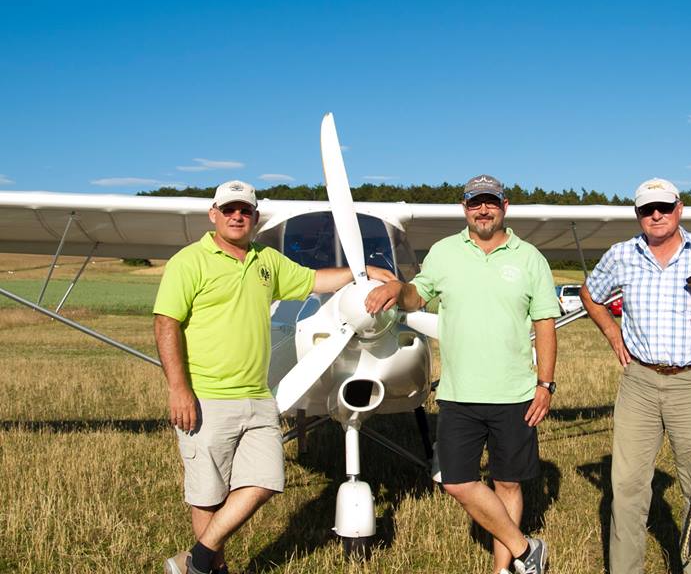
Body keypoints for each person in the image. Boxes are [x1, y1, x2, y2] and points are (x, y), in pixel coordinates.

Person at [155, 180, 395, 574]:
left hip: (258, 393)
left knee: (267, 480)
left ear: (254, 218)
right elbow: (165, 323)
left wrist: (362, 272)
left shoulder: (265, 260)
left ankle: (195, 560)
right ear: (213, 214)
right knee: (208, 494)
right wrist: (179, 388)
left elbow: (314, 280)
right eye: (229, 210)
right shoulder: (189, 261)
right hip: (206, 397)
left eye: (245, 211)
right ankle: (213, 568)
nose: (237, 216)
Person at [365, 174, 560, 574]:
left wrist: (545, 384)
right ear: (464, 208)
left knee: (508, 483)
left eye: (490, 202)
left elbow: (544, 324)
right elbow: (417, 295)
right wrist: (396, 289)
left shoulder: (530, 258)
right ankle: (526, 550)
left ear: (504, 206)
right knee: (455, 481)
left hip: (515, 393)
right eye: (475, 203)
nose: (483, 210)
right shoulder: (443, 252)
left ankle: (503, 568)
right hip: (458, 394)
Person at [579, 178, 691, 574]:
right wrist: (611, 332)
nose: (656, 215)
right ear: (637, 214)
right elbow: (591, 293)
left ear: (680, 208)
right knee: (625, 488)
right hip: (638, 381)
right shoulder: (621, 255)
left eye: (664, 207)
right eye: (646, 209)